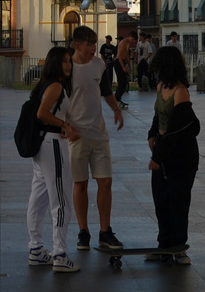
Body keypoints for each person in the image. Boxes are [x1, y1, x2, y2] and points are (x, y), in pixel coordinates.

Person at [65, 26, 125, 254]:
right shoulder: (67, 69)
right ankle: (83, 231)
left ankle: (105, 230)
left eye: (94, 44)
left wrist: (116, 110)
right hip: (76, 136)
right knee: (80, 184)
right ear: (76, 45)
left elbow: (106, 90)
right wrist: (64, 126)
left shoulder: (99, 65)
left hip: (99, 135)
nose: (93, 49)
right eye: (89, 45)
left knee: (105, 181)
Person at [25, 45, 79, 272]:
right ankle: (60, 253)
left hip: (43, 145)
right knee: (61, 199)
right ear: (55, 63)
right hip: (53, 145)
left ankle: (36, 249)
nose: (68, 64)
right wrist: (65, 125)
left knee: (38, 198)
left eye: (69, 60)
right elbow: (42, 114)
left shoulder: (45, 84)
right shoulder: (56, 86)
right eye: (65, 60)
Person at [146, 45, 199, 265]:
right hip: (163, 150)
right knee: (161, 199)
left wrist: (157, 157)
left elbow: (176, 131)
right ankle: (164, 245)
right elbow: (158, 117)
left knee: (178, 201)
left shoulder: (181, 92)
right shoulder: (160, 87)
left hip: (181, 156)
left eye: (159, 66)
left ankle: (179, 247)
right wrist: (151, 134)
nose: (156, 71)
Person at [114, 32, 138, 102]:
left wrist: (130, 66)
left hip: (122, 62)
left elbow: (127, 55)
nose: (133, 41)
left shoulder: (127, 43)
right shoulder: (123, 42)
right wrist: (123, 67)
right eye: (133, 39)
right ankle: (116, 98)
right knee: (122, 81)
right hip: (119, 62)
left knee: (125, 82)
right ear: (130, 37)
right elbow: (119, 56)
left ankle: (118, 97)